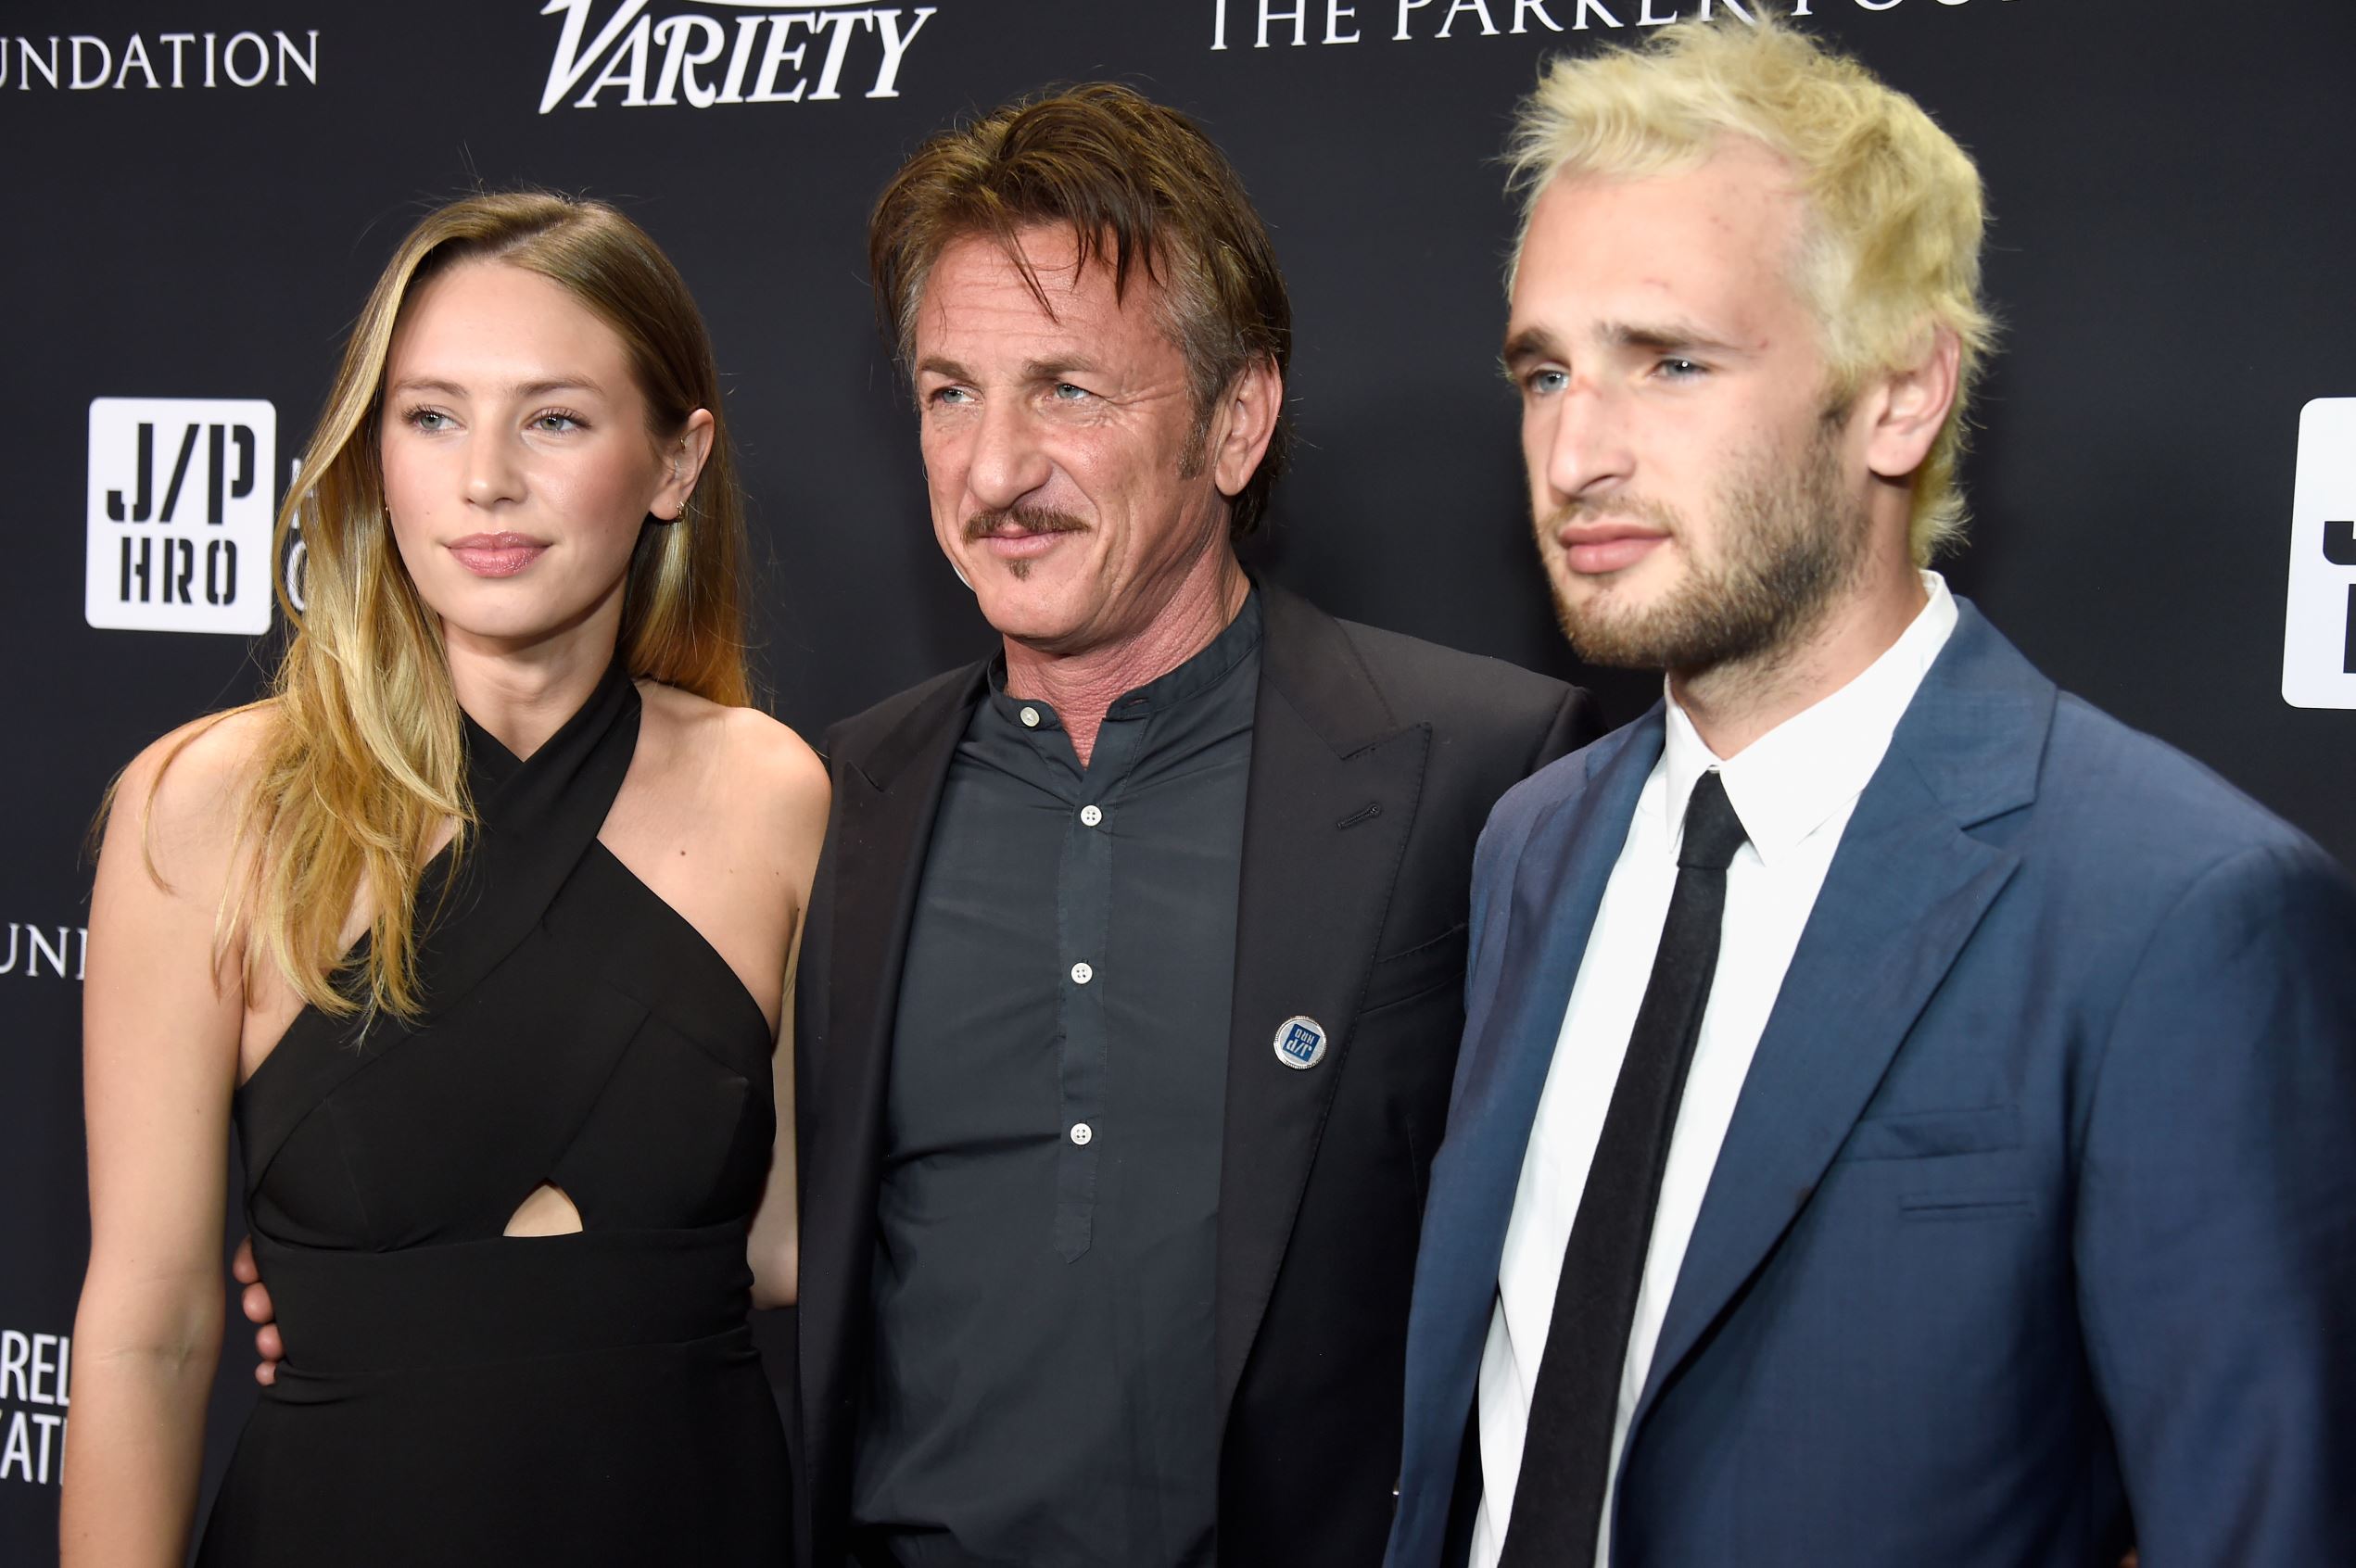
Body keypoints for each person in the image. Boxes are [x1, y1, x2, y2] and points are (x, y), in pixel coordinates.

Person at [1387, 17, 2356, 1568]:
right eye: (1544, 370)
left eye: (1670, 362)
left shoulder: (2174, 910)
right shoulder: (1533, 844)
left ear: (1898, 397)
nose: (1572, 453)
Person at [792, 85, 1602, 1568]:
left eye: (1066, 391)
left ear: (1236, 421)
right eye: (950, 393)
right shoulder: (842, 800)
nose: (992, 471)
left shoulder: (1486, 771)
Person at [62, 192, 828, 1567]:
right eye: (429, 416)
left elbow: (785, 1247)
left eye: (554, 419)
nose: (484, 479)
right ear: (374, 454)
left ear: (675, 461)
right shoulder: (213, 808)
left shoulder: (772, 794)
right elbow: (149, 1327)